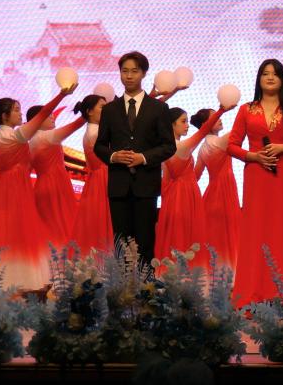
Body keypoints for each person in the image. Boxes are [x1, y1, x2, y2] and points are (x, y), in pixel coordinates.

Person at [0, 83, 77, 289]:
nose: (20, 114)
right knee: (21, 236)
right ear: (5, 116)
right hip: (18, 190)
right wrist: (61, 95)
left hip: (0, 192)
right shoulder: (17, 136)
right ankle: (22, 281)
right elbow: (43, 113)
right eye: (16, 110)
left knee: (0, 236)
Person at [227, 59, 283, 306]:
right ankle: (252, 291)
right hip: (256, 176)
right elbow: (232, 145)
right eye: (265, 73)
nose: (270, 77)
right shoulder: (246, 109)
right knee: (255, 231)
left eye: (275, 74)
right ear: (259, 79)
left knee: (282, 230)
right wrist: (253, 156)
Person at [94, 51, 176, 268]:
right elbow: (99, 146)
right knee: (121, 243)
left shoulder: (158, 108)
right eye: (124, 71)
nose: (129, 76)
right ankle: (122, 286)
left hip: (146, 185)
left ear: (143, 73)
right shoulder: (110, 109)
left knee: (145, 242)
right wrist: (113, 156)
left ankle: (146, 286)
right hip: (118, 186)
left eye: (134, 71)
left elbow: (169, 146)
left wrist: (144, 157)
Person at [154, 105, 227, 268]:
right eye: (183, 121)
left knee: (177, 235)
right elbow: (202, 133)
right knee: (182, 235)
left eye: (187, 121)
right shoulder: (177, 146)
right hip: (182, 196)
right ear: (172, 125)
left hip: (176, 195)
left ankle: (174, 273)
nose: (187, 125)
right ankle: (183, 274)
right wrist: (221, 110)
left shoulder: (167, 146)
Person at [27, 102, 86, 250]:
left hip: (42, 186)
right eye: (48, 115)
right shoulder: (47, 137)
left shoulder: (30, 142)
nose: (53, 117)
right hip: (56, 186)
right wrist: (87, 112)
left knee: (49, 229)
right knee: (64, 228)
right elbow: (75, 126)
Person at [191, 107, 240, 269]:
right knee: (226, 234)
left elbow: (195, 176)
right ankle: (230, 269)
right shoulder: (218, 142)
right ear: (206, 124)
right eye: (214, 117)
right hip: (223, 193)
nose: (219, 119)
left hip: (213, 194)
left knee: (216, 236)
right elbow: (240, 128)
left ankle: (216, 270)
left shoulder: (203, 148)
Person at [70, 94, 113, 256]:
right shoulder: (96, 133)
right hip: (104, 180)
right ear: (89, 111)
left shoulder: (94, 131)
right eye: (102, 107)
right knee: (104, 224)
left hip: (98, 180)